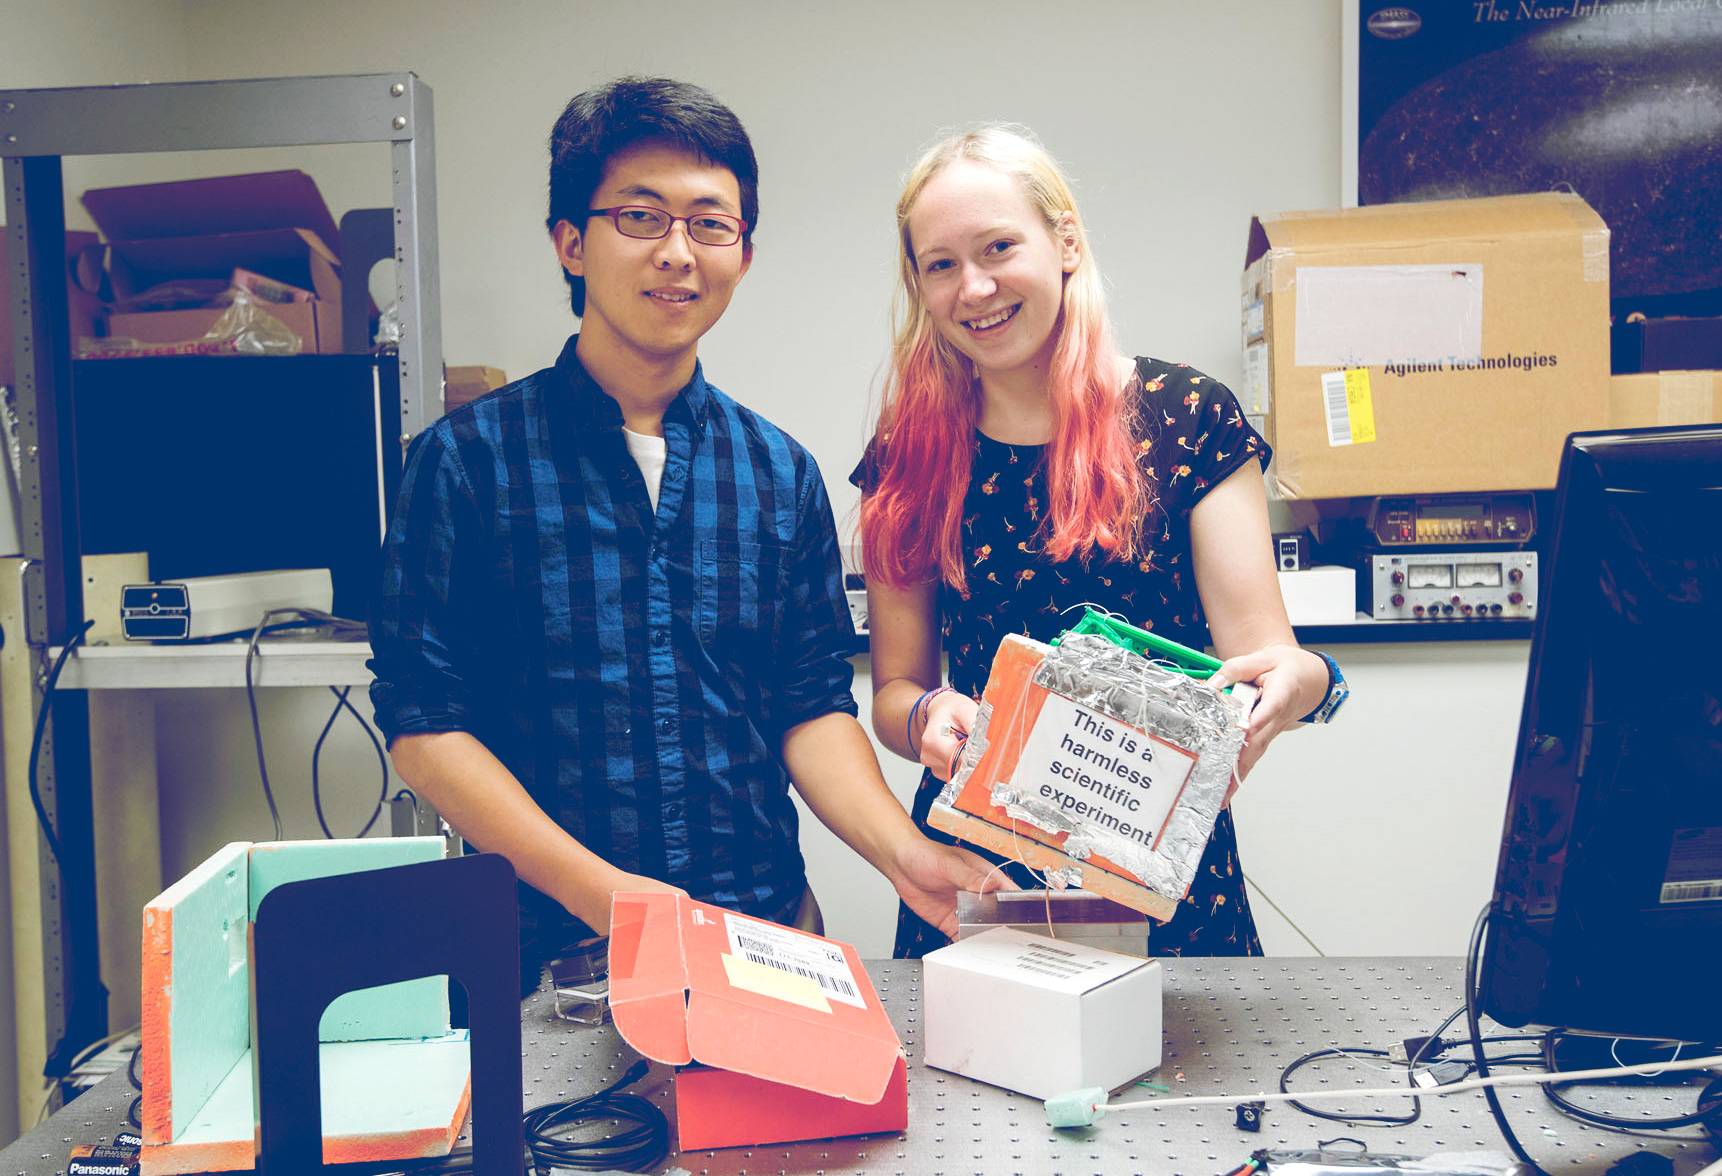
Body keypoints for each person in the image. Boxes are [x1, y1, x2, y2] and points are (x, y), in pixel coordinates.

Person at [369, 77, 1001, 990]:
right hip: (547, 964)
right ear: (571, 243)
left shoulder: (778, 472)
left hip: (761, 938)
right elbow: (424, 726)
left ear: (742, 256)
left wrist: (903, 856)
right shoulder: (465, 463)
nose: (678, 252)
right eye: (641, 217)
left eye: (710, 224)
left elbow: (809, 705)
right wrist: (614, 902)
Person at [855, 125, 1348, 959]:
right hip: (983, 872)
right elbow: (896, 690)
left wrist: (1299, 684)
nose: (973, 287)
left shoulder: (1188, 417)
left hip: (1160, 870)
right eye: (940, 265)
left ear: (1066, 241)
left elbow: (1269, 660)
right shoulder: (909, 452)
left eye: (998, 247)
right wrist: (929, 715)